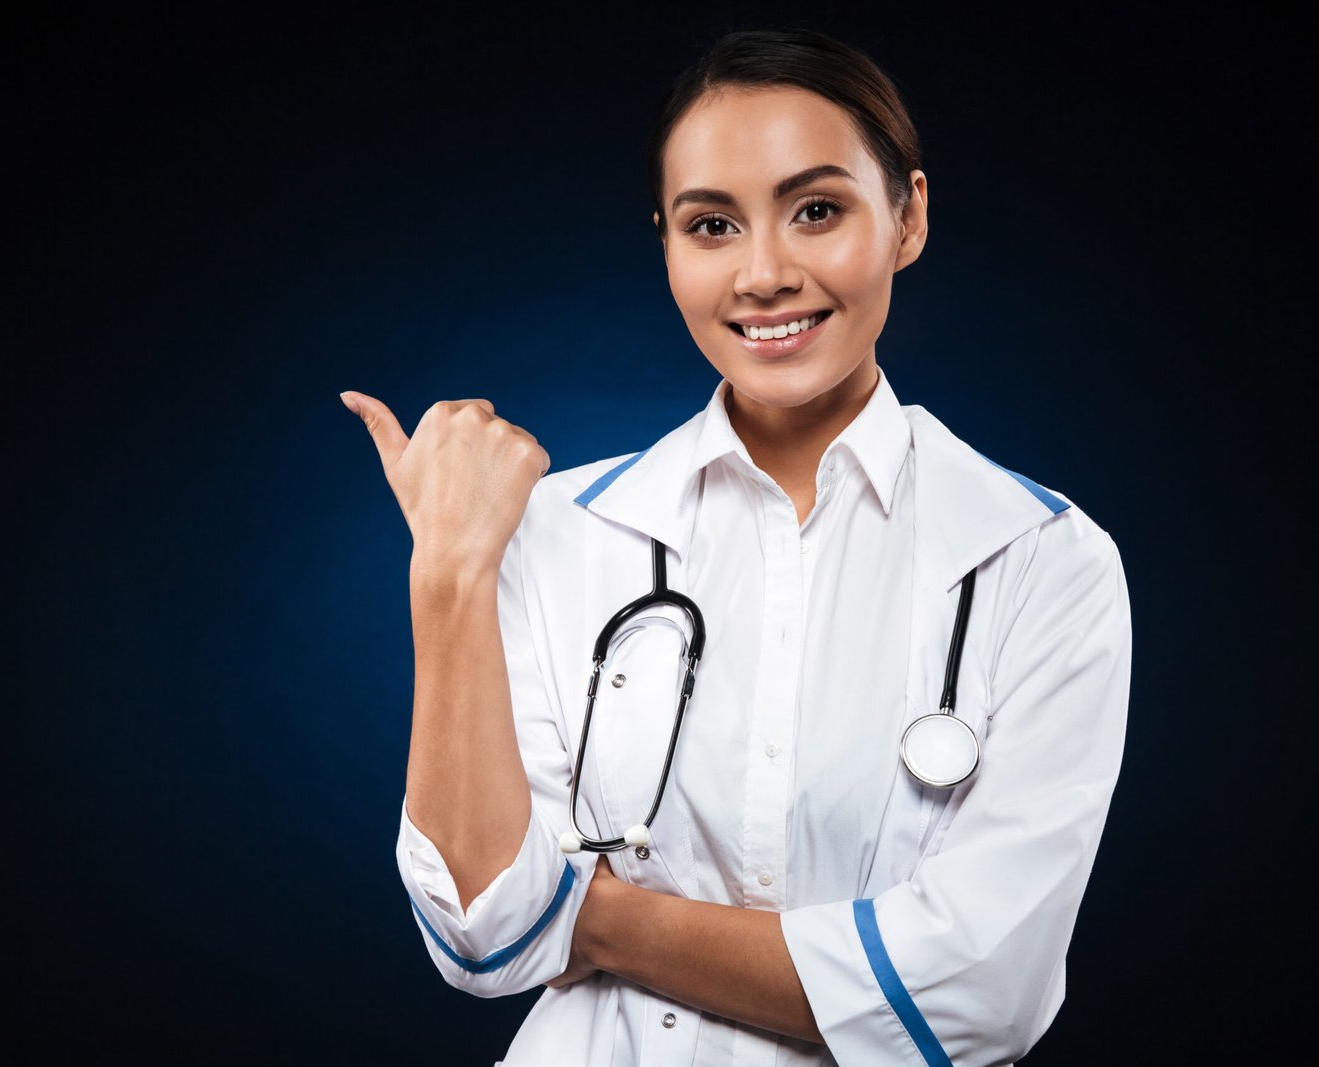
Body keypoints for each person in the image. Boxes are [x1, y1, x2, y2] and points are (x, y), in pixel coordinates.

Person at [340, 26, 1131, 1067]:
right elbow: (481, 934)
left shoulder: (1038, 560)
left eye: (816, 210)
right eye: (711, 224)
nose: (763, 273)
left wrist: (596, 920)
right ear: (665, 243)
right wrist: (447, 566)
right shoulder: (551, 533)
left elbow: (980, 993)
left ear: (908, 217)